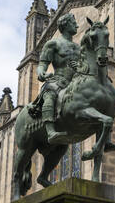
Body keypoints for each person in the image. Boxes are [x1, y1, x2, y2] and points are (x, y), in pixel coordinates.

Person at [36, 13, 80, 144]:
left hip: (75, 82)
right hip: (58, 80)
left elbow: (85, 66)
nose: (77, 25)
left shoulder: (79, 47)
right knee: (50, 95)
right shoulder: (53, 44)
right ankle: (50, 131)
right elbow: (42, 63)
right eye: (73, 23)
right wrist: (42, 73)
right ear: (66, 25)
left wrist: (79, 66)